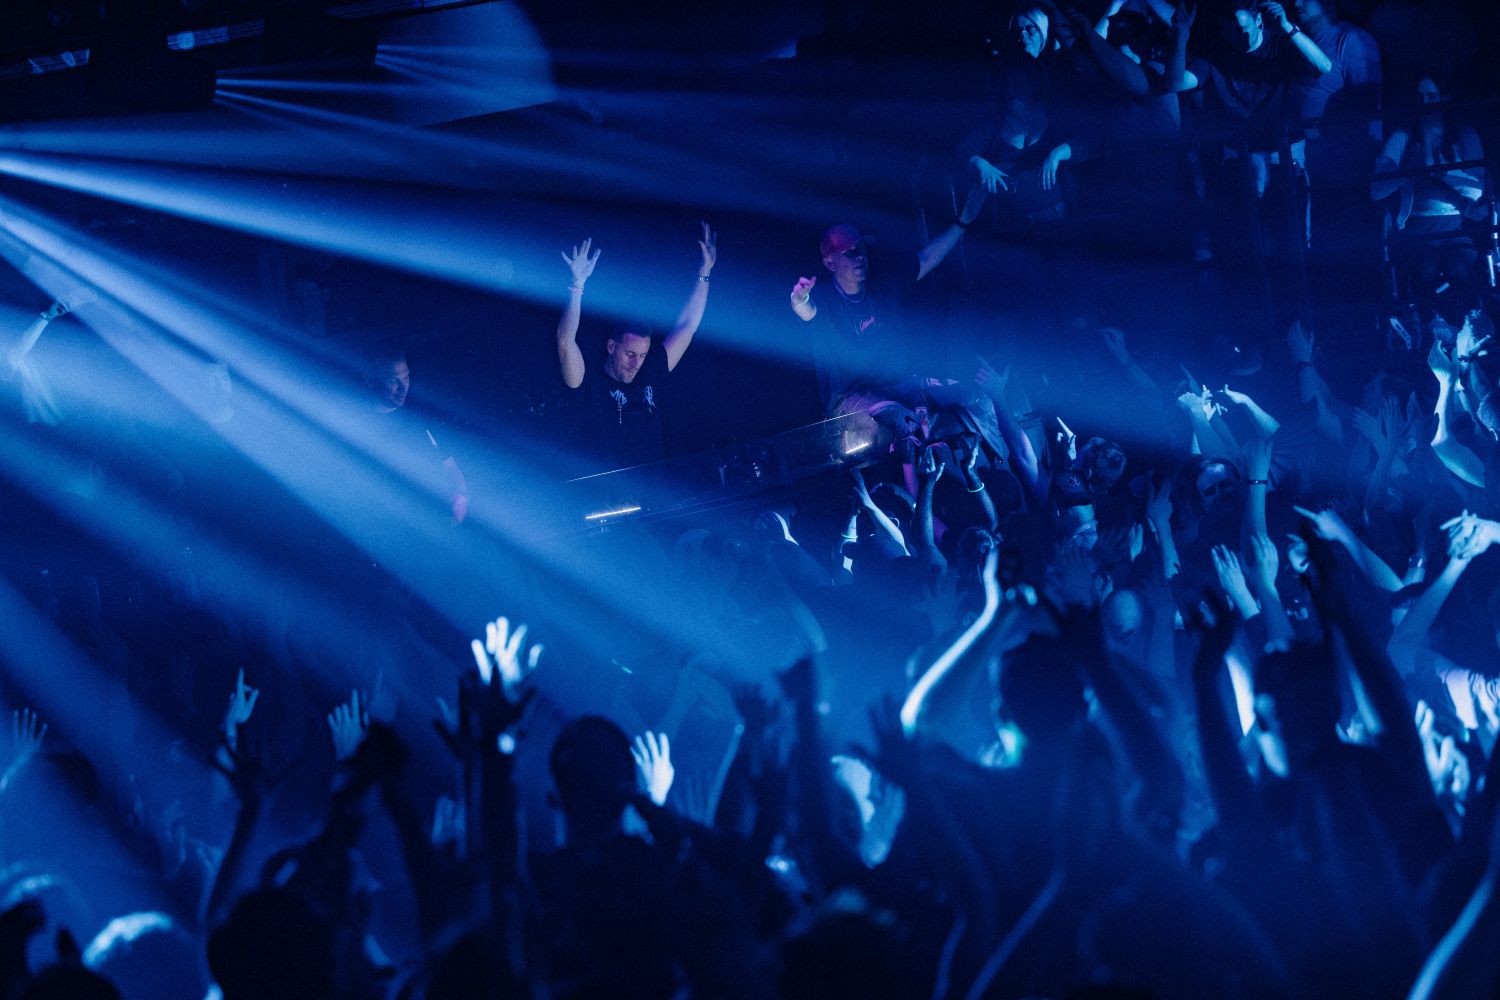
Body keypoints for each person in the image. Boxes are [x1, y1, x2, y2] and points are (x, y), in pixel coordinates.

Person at [786, 200, 998, 471]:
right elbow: (807, 312)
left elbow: (926, 259)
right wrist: (799, 299)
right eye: (849, 252)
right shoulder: (826, 300)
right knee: (901, 422)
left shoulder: (881, 286)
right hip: (849, 400)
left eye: (861, 248)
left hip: (899, 385)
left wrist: (962, 221)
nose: (859, 256)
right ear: (830, 262)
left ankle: (997, 474)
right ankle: (918, 493)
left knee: (973, 396)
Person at [555, 223, 716, 472]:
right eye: (630, 354)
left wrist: (705, 271)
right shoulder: (587, 380)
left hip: (655, 487)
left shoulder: (649, 370)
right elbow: (566, 342)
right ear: (612, 346)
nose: (635, 363)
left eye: (641, 355)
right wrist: (577, 286)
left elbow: (687, 326)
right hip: (605, 491)